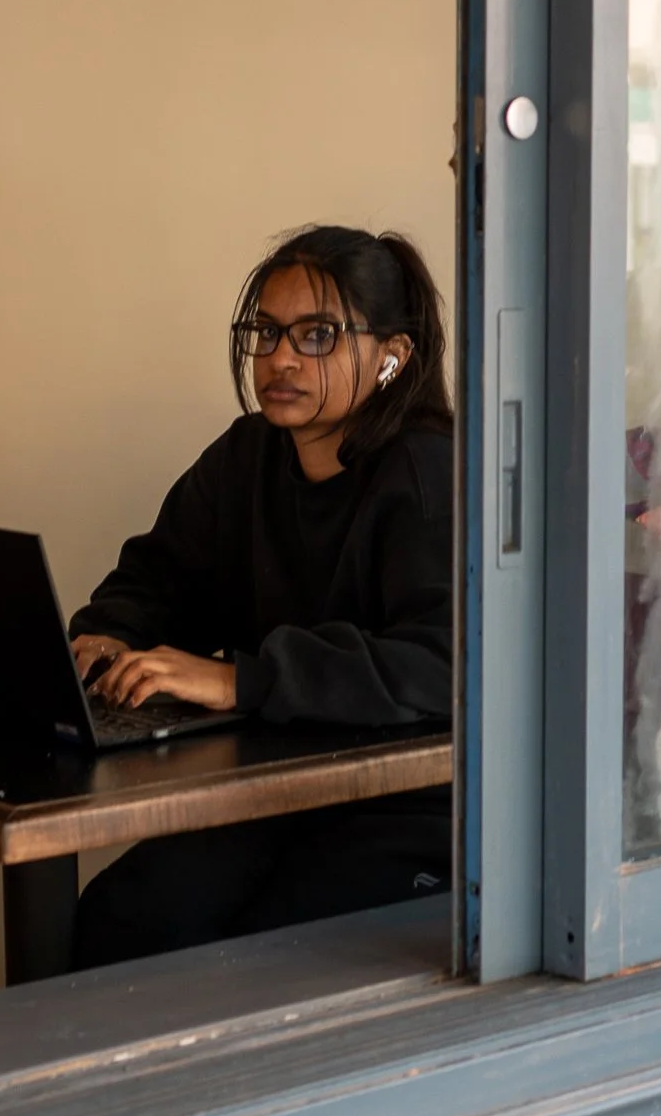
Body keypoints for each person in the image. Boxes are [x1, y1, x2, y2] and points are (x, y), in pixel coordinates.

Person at [69, 224, 452, 969]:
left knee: (261, 958)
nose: (279, 358)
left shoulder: (425, 472)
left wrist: (239, 679)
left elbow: (443, 660)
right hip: (271, 789)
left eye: (317, 335)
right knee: (124, 923)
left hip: (408, 803)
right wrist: (108, 633)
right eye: (267, 332)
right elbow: (156, 577)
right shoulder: (246, 455)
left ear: (391, 357)